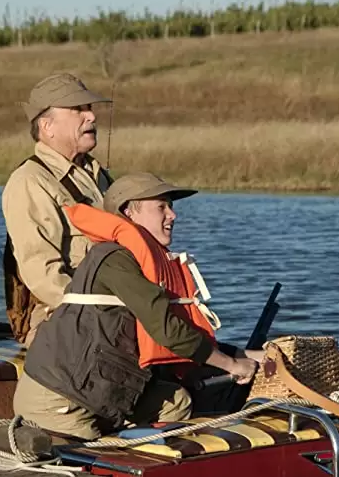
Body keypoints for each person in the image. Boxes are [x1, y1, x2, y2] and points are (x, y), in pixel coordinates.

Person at [13, 172, 265, 440]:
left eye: (171, 206)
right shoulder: (115, 259)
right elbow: (168, 332)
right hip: (60, 400)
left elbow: (180, 333)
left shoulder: (141, 258)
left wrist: (247, 354)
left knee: (177, 402)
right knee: (89, 460)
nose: (172, 215)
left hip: (94, 386)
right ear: (128, 212)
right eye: (161, 207)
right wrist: (232, 365)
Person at [1, 73, 113, 347]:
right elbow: (43, 275)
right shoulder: (29, 181)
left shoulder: (97, 175)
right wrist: (104, 311)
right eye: (78, 110)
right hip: (58, 319)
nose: (91, 117)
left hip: (111, 309)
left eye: (90, 108)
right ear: (47, 126)